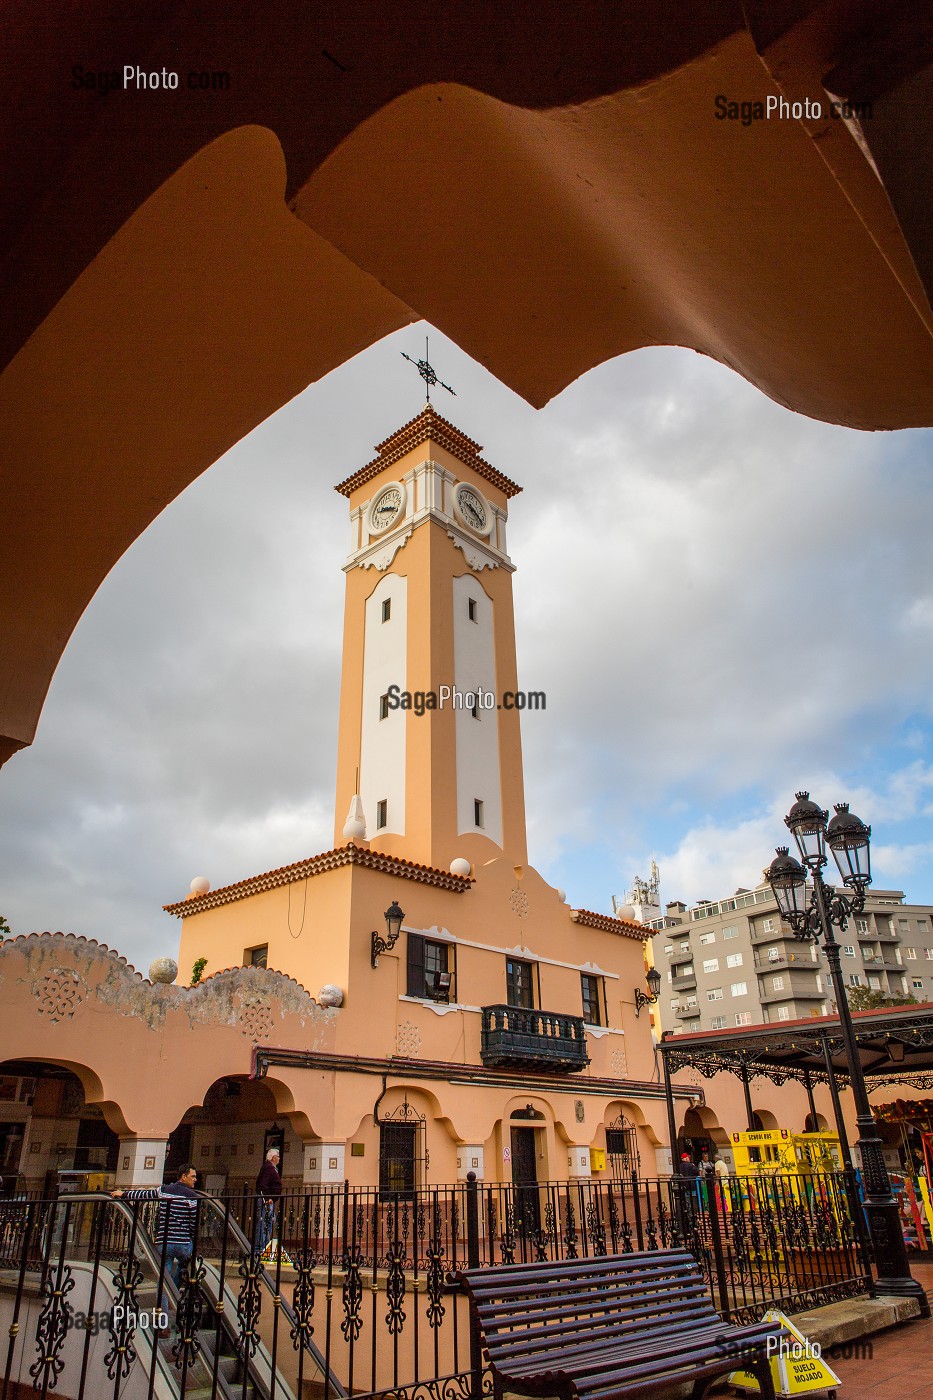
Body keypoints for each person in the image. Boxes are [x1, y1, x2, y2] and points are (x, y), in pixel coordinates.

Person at [113, 1164, 200, 1285]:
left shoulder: (164, 1190)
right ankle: (175, 1291)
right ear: (183, 1177)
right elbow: (193, 1222)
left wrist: (124, 1194)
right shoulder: (192, 1196)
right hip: (182, 1243)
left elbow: (144, 1195)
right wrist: (191, 1238)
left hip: (164, 1242)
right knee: (184, 1265)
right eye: (193, 1176)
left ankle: (165, 1300)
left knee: (163, 1279)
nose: (195, 1179)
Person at [255, 1146, 282, 1254]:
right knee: (264, 1222)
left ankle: (265, 1245)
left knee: (269, 1221)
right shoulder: (268, 1168)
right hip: (266, 1200)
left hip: (269, 1199)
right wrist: (267, 1198)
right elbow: (262, 1184)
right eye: (278, 1156)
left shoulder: (271, 1167)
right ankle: (261, 1246)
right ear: (273, 1157)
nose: (279, 1158)